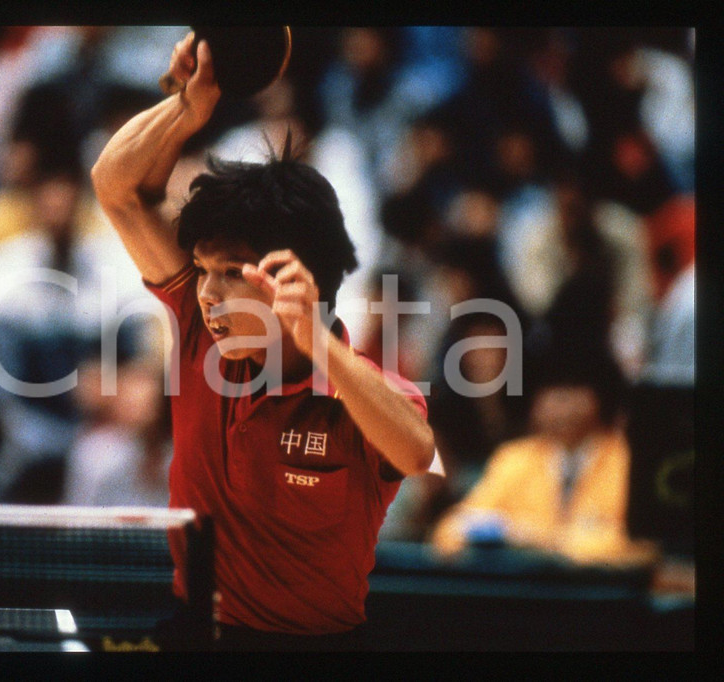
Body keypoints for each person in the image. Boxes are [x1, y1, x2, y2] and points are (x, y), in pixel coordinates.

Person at [91, 33, 435, 650]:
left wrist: (318, 342)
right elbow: (115, 186)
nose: (206, 292)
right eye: (202, 270)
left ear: (287, 274)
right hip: (193, 630)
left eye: (231, 272)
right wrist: (186, 106)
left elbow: (415, 453)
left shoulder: (361, 393)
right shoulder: (199, 330)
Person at [429, 345, 655, 567]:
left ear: (601, 396)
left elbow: (639, 545)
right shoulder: (513, 458)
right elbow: (451, 531)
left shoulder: (629, 459)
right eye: (549, 394)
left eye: (572, 392)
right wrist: (502, 532)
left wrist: (542, 539)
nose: (561, 406)